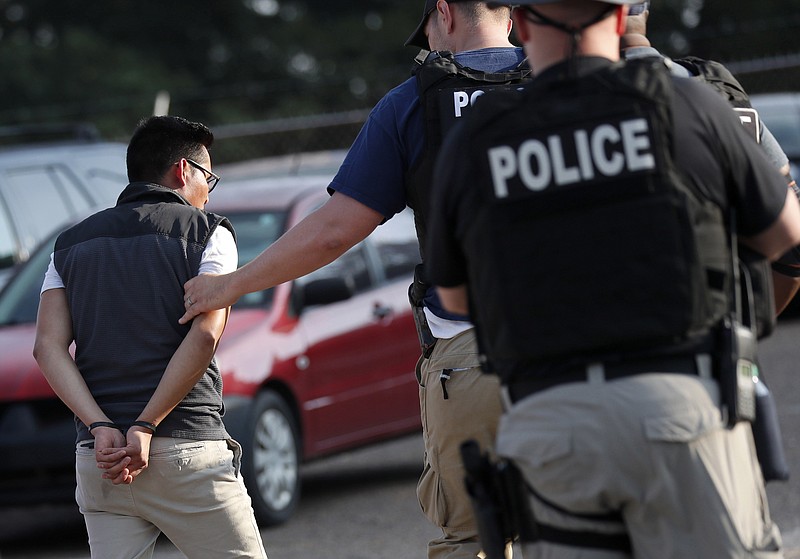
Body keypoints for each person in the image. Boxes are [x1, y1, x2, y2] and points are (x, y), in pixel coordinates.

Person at [425, 0, 800, 556]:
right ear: (622, 15)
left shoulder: (481, 136)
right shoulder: (686, 103)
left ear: (521, 24)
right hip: (681, 407)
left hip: (552, 425)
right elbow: (786, 237)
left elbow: (455, 295)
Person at [178, 2, 526, 557]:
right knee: (582, 525)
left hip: (471, 353)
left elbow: (333, 232)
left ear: (444, 12)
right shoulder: (573, 81)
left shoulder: (413, 102)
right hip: (583, 347)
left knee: (472, 538)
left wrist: (233, 284)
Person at [32, 116, 268, 559]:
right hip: (186, 447)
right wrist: (145, 425)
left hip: (100, 460)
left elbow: (47, 347)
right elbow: (204, 335)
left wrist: (101, 426)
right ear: (183, 171)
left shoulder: (68, 244)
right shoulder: (209, 232)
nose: (209, 192)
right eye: (208, 178)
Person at [621, 0, 800, 316]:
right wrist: (743, 330)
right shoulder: (714, 91)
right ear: (645, 13)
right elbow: (792, 247)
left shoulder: (554, 111)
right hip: (709, 344)